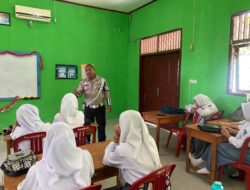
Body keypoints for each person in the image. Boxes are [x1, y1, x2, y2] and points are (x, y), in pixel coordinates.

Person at [17, 122, 94, 190]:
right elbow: (91, 174)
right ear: (72, 138)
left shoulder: (36, 171)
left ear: (47, 141)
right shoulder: (85, 157)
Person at [103, 110, 162, 189]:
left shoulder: (123, 150)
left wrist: (116, 136)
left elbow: (106, 160)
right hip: (155, 185)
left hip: (136, 187)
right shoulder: (150, 140)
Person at [189, 102, 250, 174]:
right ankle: (201, 163)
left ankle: (209, 168)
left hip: (246, 154)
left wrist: (227, 135)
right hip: (244, 149)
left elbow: (239, 144)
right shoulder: (248, 123)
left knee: (216, 146)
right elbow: (243, 132)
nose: (243, 114)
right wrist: (231, 130)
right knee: (215, 146)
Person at [74, 64, 111, 142]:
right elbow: (79, 94)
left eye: (90, 69)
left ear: (94, 70)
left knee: (101, 127)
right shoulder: (83, 82)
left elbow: (107, 92)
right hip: (88, 108)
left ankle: (101, 143)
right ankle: (87, 142)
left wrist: (109, 104)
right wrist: (75, 94)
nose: (88, 72)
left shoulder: (102, 80)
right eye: (86, 70)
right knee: (87, 127)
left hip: (100, 108)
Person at [185, 94, 219, 158]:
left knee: (197, 134)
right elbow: (187, 106)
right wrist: (191, 109)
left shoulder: (212, 106)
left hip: (205, 127)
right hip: (198, 125)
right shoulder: (201, 104)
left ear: (201, 100)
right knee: (189, 129)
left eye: (196, 101)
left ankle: (198, 154)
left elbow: (203, 113)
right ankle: (193, 150)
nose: (195, 103)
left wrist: (195, 109)